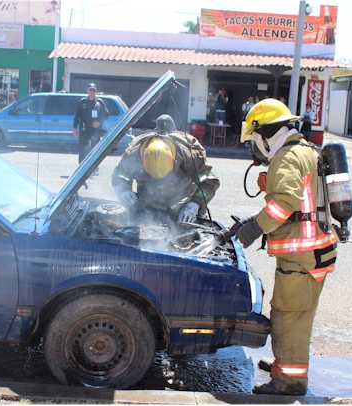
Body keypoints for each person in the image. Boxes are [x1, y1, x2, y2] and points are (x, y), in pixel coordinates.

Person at [236, 98, 337, 396]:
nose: (255, 146)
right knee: (292, 314)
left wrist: (256, 227)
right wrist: (256, 214)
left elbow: (286, 203)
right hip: (310, 253)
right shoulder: (305, 150)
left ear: (265, 133)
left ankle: (289, 381)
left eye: (255, 138)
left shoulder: (286, 157)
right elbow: (298, 201)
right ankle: (285, 364)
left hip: (302, 256)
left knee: (289, 316)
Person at [112, 114, 220, 223]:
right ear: (143, 160)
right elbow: (120, 176)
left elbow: (210, 181)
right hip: (146, 208)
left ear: (173, 160)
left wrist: (195, 204)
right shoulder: (134, 152)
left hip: (183, 212)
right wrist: (123, 191)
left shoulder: (190, 153)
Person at [73, 83, 109, 165]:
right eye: (90, 90)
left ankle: (94, 167)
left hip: (95, 130)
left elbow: (106, 114)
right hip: (84, 129)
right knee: (83, 148)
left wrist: (99, 122)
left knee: (95, 148)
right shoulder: (82, 102)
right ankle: (81, 167)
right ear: (87, 91)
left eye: (93, 90)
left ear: (96, 91)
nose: (92, 91)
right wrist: (74, 128)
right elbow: (77, 116)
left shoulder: (100, 102)